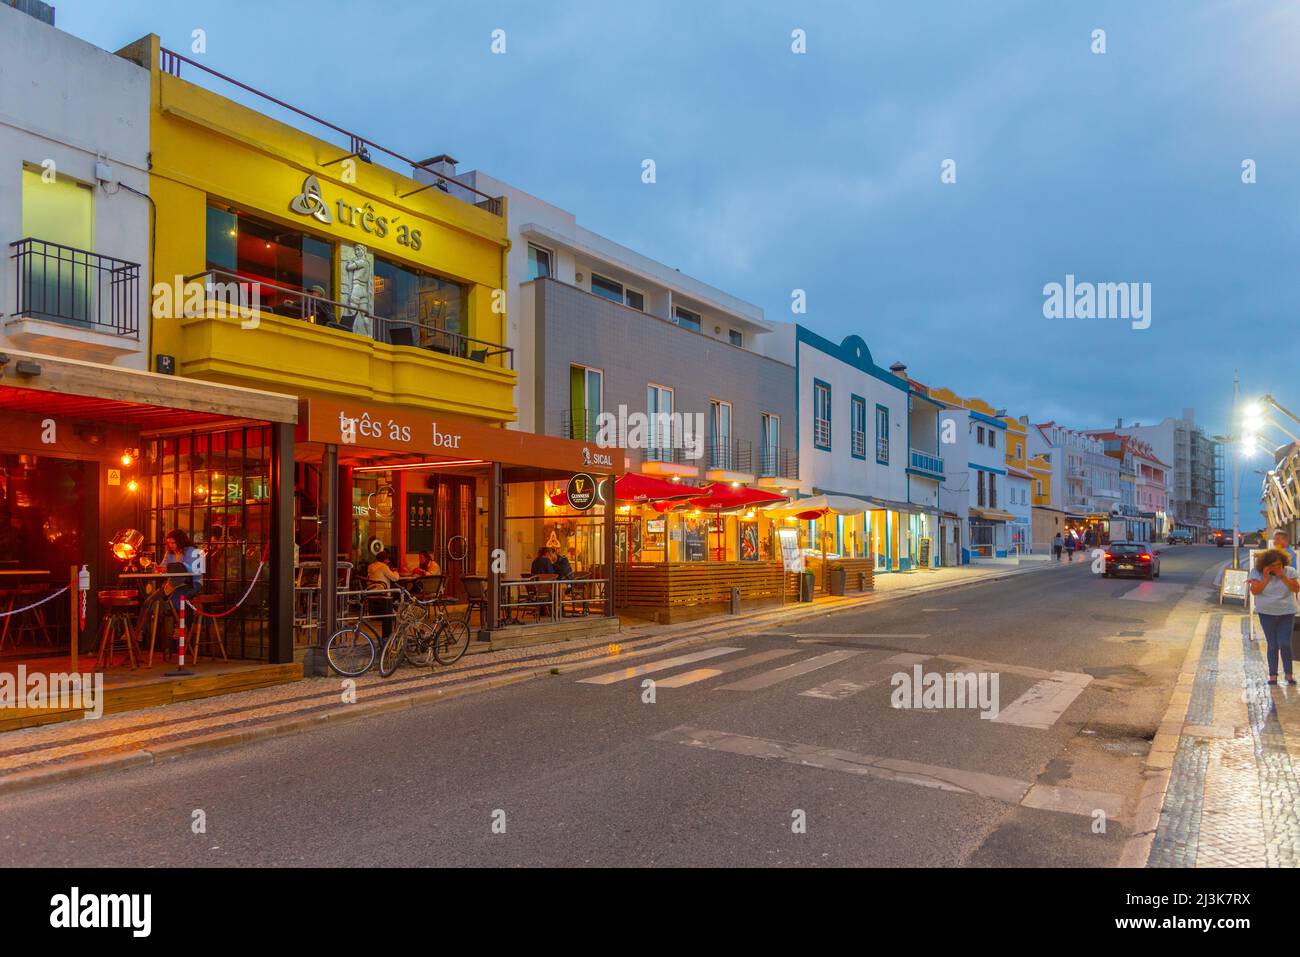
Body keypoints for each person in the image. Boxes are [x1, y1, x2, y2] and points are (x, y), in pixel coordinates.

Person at [136, 529, 203, 637]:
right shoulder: (169, 553)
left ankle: (182, 627)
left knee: (176, 598)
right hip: (173, 584)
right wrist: (158, 568)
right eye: (169, 543)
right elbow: (163, 566)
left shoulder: (193, 551)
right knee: (149, 601)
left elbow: (192, 570)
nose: (171, 545)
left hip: (191, 583)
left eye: (173, 542)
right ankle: (139, 631)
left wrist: (168, 568)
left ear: (181, 541)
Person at [1248, 548, 1298, 685]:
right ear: (1265, 565)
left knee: (1285, 643)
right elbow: (1255, 591)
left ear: (1283, 563)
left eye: (1279, 565)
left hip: (1287, 612)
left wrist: (1282, 576)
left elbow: (1296, 588)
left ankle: (1288, 674)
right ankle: (1273, 675)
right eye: (1273, 565)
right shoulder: (1256, 573)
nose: (1276, 568)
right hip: (1266, 612)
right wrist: (1266, 578)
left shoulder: (1290, 571)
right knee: (1273, 644)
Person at [367, 550, 401, 637]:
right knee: (398, 593)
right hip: (382, 591)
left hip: (371, 590)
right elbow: (394, 578)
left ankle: (391, 610)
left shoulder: (371, 566)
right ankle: (393, 612)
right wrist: (396, 572)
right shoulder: (383, 567)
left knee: (394, 592)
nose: (388, 561)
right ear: (385, 560)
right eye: (387, 559)